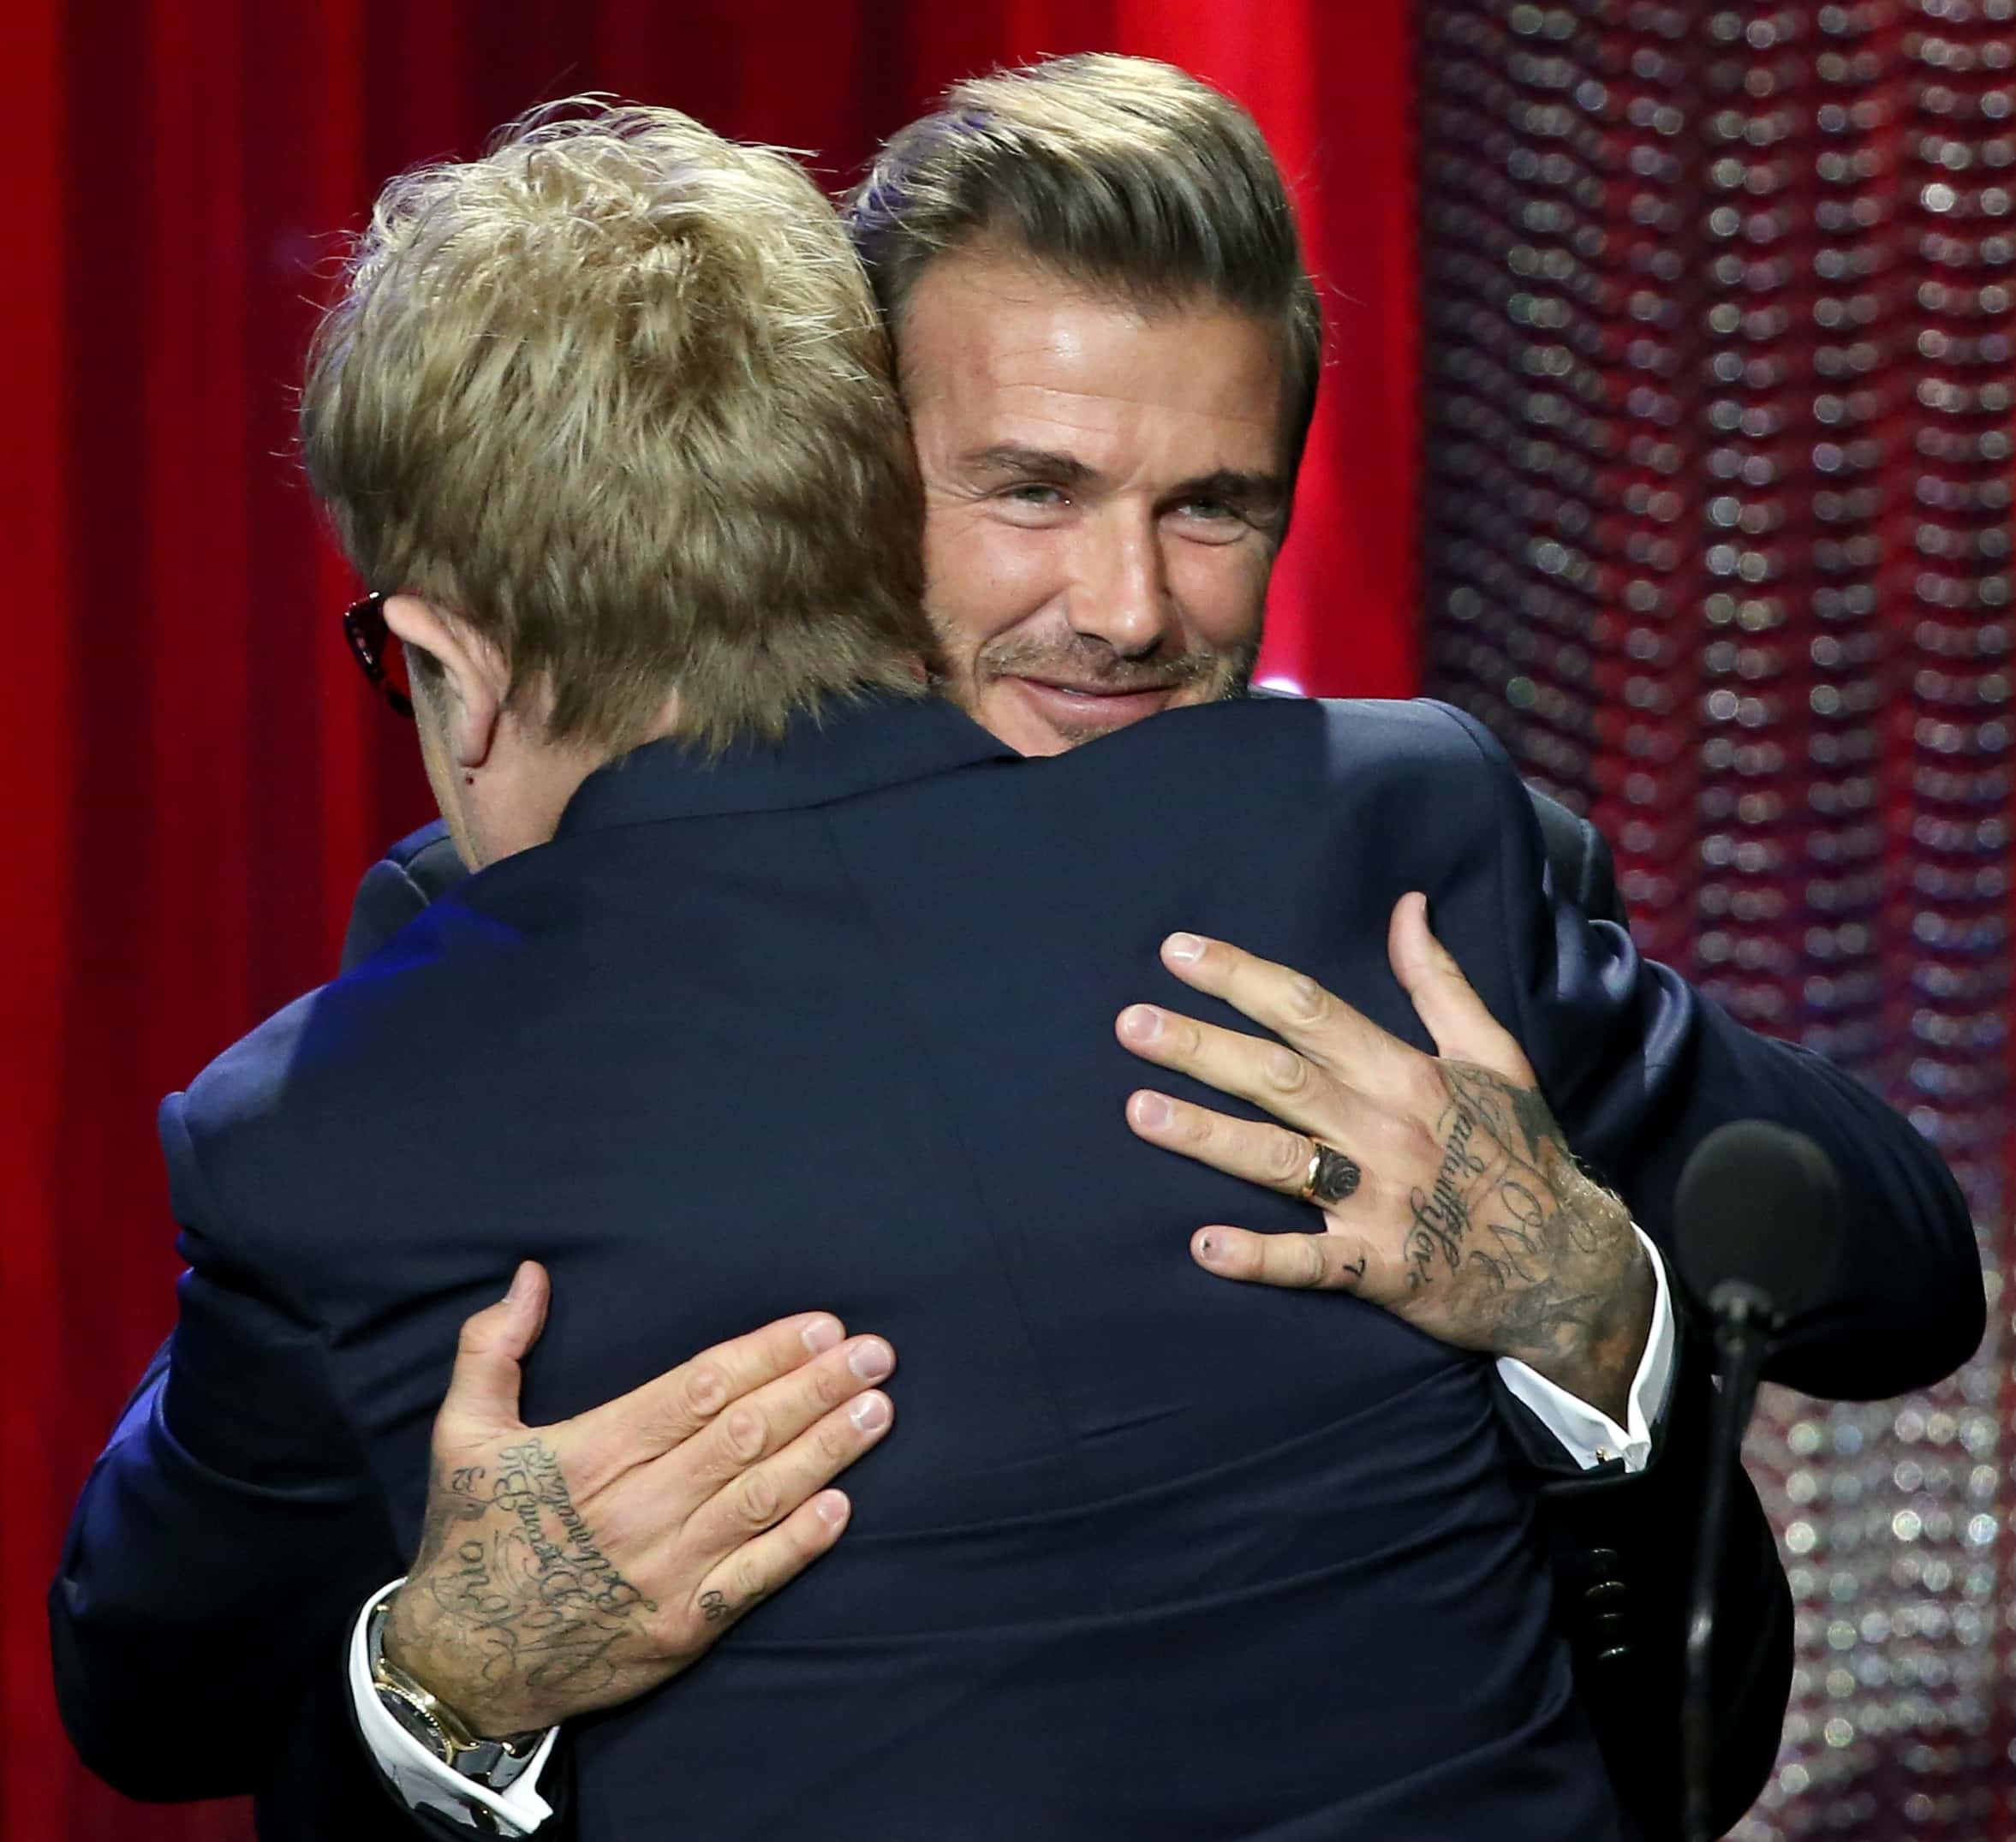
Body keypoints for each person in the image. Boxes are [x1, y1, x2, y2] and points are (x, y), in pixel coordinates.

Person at [45, 78, 1969, 1842]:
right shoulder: (455, 971)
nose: (1123, 612)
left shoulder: (1391, 864)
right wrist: (445, 1674)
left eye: (1209, 509)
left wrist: (1583, 1295)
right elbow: (195, 1665)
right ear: (843, 483)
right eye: (1028, 490)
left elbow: (1896, 1265)